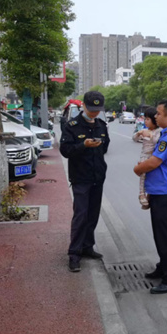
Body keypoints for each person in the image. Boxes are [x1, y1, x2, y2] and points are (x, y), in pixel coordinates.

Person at [133, 100, 167, 294]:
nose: (155, 116)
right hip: (161, 192)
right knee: (161, 235)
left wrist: (137, 169)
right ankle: (164, 267)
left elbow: (153, 162)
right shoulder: (165, 133)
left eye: (159, 113)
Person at [60, 91, 110, 272]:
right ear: (83, 106)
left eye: (97, 110)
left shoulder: (101, 125)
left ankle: (88, 246)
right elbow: (65, 151)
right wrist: (84, 145)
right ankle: (74, 253)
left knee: (93, 214)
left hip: (98, 177)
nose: (94, 113)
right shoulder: (72, 126)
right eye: (91, 109)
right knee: (81, 215)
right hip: (81, 178)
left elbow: (105, 147)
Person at [132, 107, 162, 210]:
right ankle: (141, 194)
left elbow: (157, 141)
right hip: (144, 156)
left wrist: (150, 135)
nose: (145, 121)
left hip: (154, 156)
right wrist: (138, 133)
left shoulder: (159, 131)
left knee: (153, 176)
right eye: (145, 119)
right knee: (143, 175)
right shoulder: (144, 130)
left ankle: (149, 194)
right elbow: (135, 139)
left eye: (148, 119)